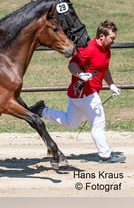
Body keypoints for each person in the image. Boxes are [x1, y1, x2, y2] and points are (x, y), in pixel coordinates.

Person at [30, 20, 125, 163]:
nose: (114, 40)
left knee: (71, 122)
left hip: (78, 95)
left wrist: (111, 85)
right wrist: (80, 74)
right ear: (101, 36)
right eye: (111, 37)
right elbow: (72, 65)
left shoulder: (106, 50)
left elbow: (103, 68)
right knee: (98, 122)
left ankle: (42, 111)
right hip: (87, 93)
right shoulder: (89, 49)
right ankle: (105, 155)